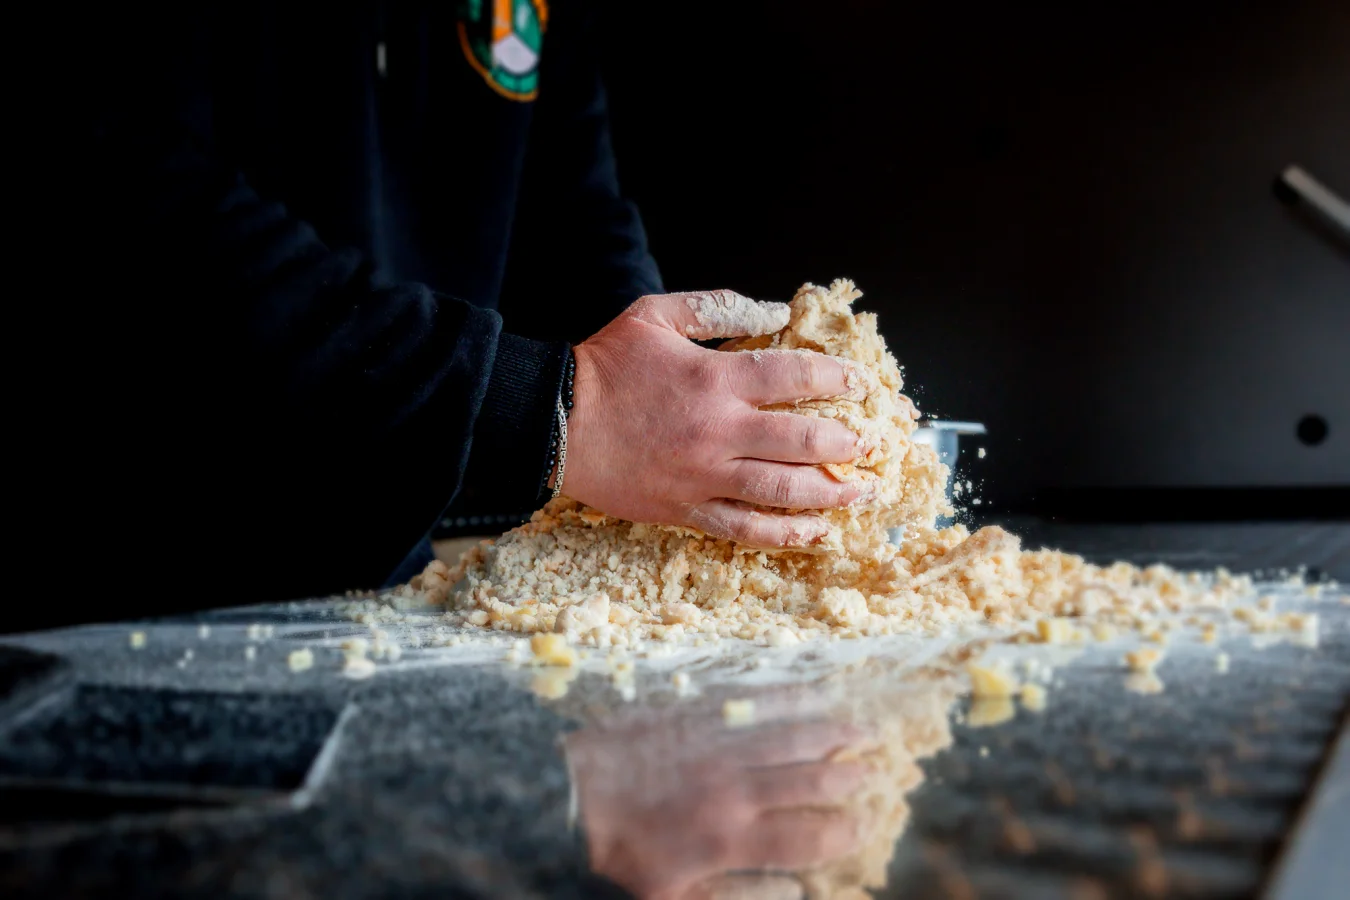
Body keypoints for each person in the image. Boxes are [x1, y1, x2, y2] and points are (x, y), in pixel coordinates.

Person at [28, 2, 864, 631]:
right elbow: (125, 206)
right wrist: (552, 405)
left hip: (382, 585)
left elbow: (573, 214)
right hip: (123, 587)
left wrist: (677, 389)